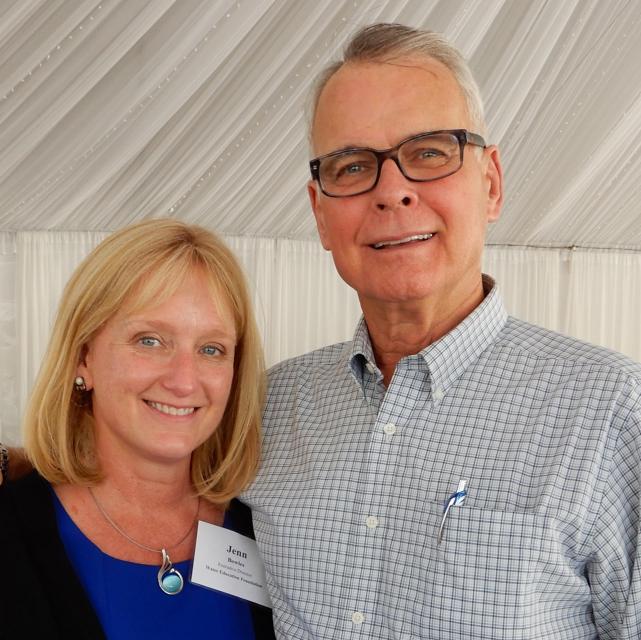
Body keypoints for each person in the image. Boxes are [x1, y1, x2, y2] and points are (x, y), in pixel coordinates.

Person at [240, 23, 641, 639]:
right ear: (321, 214)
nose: (393, 191)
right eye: (351, 166)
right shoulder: (265, 409)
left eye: (429, 152)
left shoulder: (610, 409)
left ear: (491, 183)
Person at [0, 219, 275, 639]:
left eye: (211, 349)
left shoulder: (268, 526)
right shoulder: (13, 528)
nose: (184, 381)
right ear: (82, 357)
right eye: (150, 340)